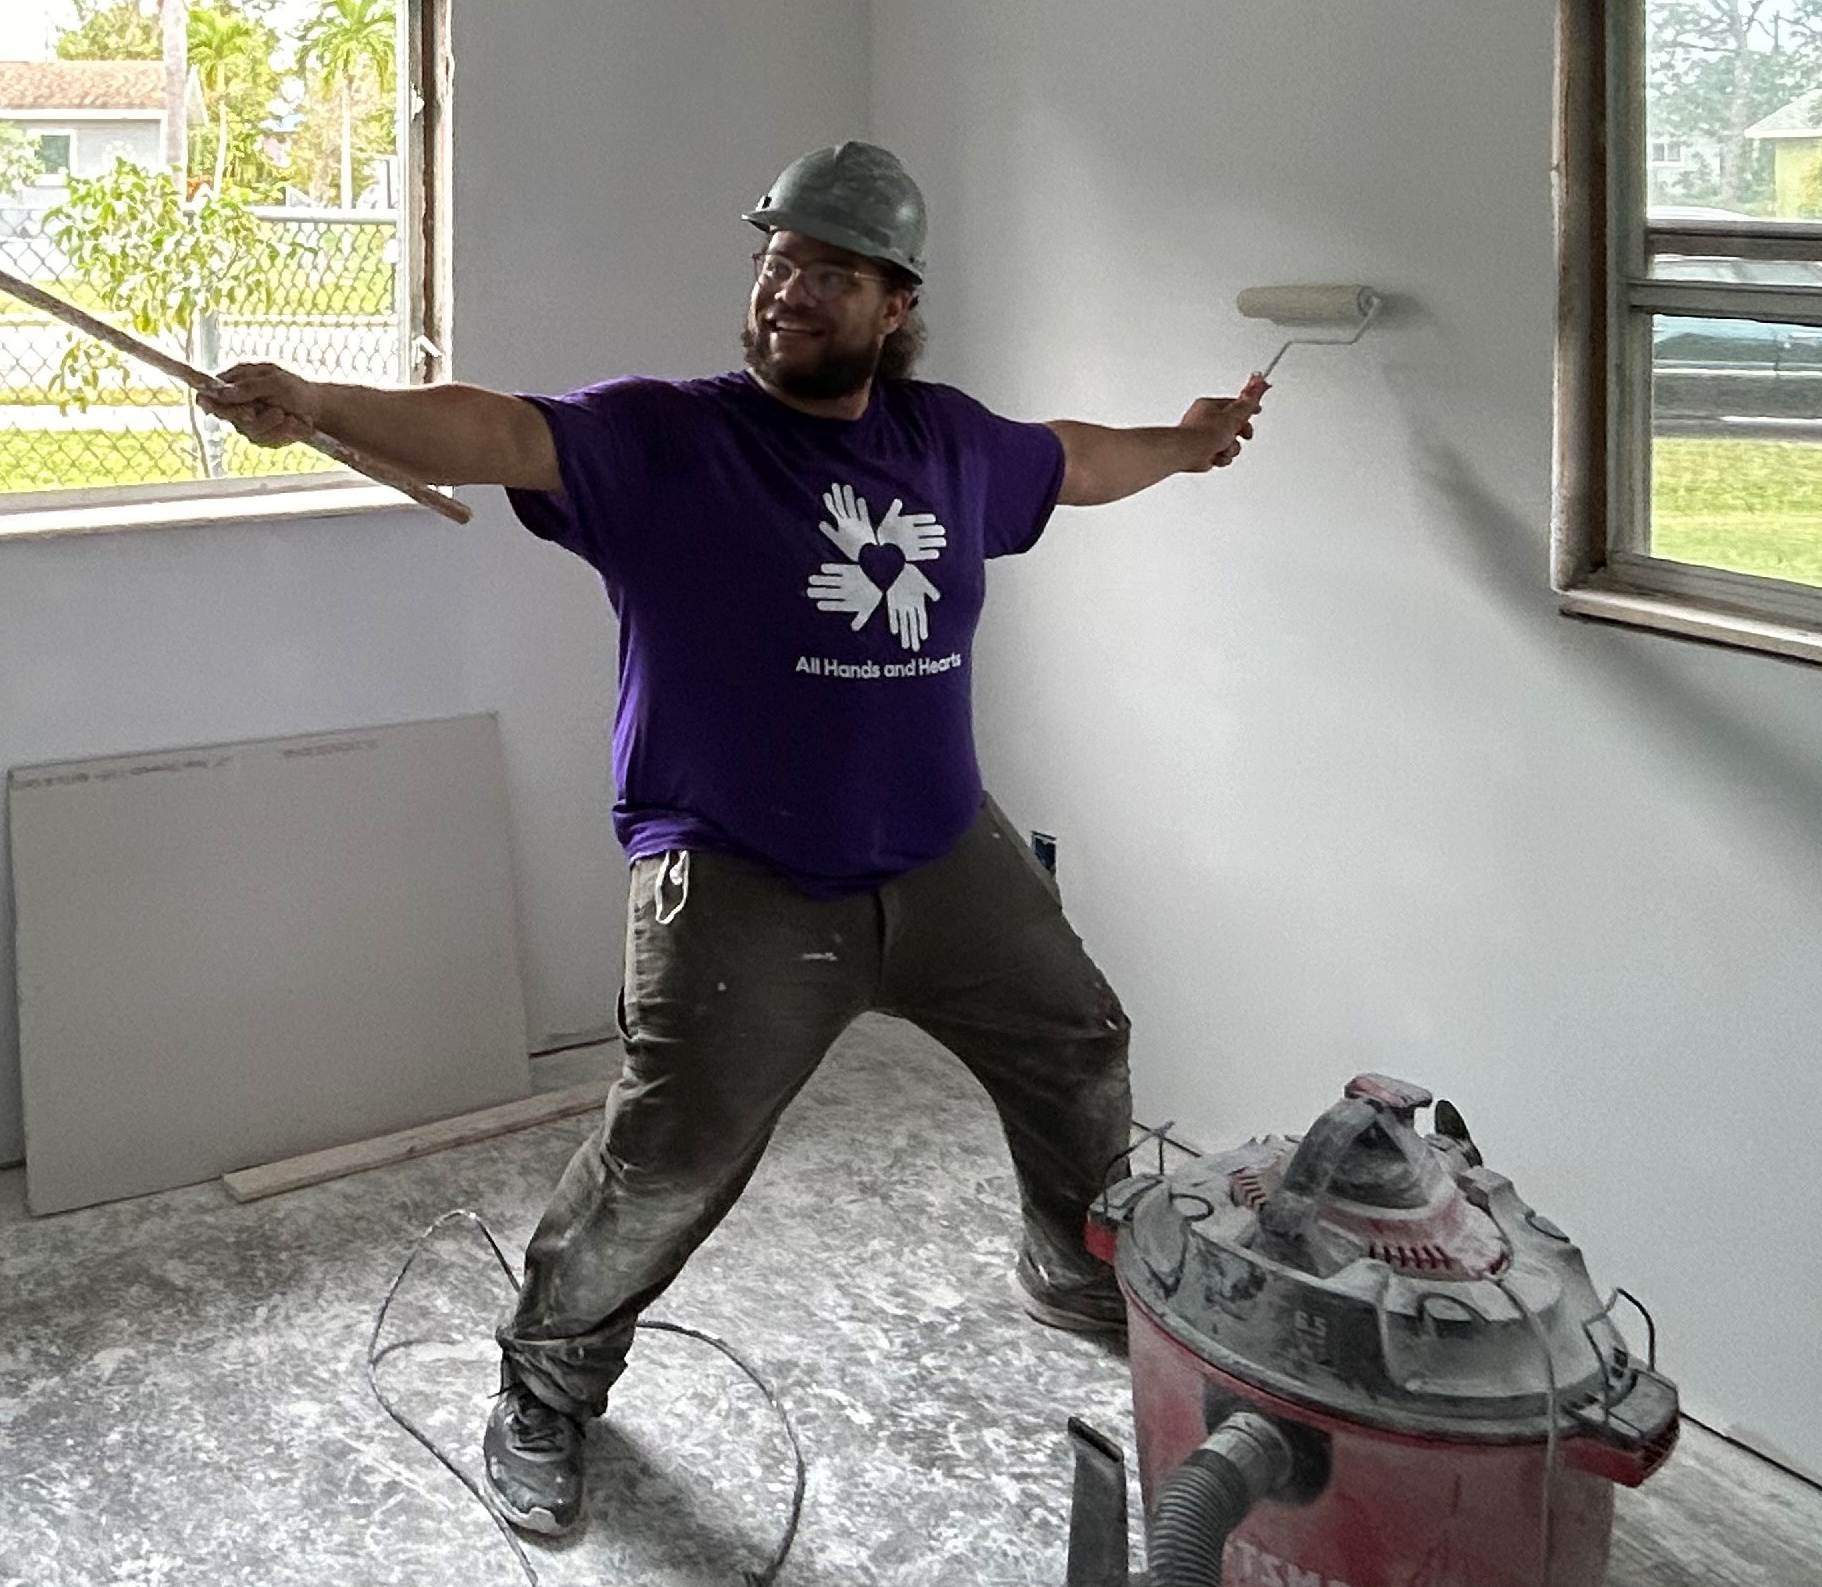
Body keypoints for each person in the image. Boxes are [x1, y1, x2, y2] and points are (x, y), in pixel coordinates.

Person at [199, 140, 1264, 1538]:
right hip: (743, 870)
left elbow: (1072, 462)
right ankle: (546, 1382)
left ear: (896, 305)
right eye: (774, 262)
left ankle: (1073, 1266)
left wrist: (1187, 444)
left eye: (827, 272)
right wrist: (322, 401)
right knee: (670, 1156)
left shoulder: (947, 441)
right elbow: (498, 430)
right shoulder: (670, 442)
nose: (786, 291)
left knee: (1077, 1039)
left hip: (941, 851)